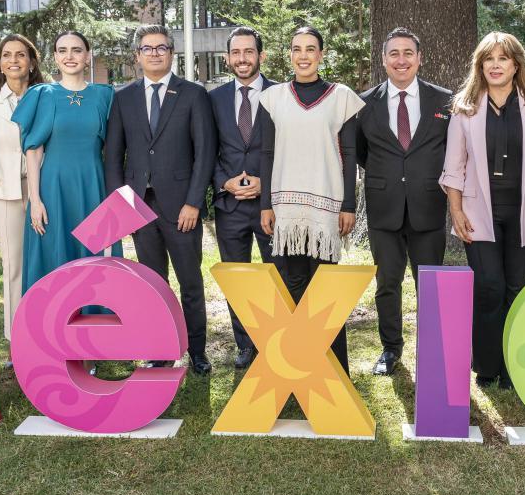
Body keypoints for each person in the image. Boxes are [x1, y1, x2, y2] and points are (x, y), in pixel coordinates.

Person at [439, 32, 525, 388]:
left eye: (502, 59)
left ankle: (513, 366)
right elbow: (454, 165)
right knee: (489, 286)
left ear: (516, 64)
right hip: (478, 210)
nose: (495, 65)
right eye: (488, 59)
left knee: (517, 287)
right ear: (480, 65)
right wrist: (455, 210)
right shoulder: (465, 107)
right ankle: (487, 366)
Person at [105, 24, 216, 374]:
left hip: (182, 207)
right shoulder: (122, 97)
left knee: (190, 282)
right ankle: (161, 349)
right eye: (147, 48)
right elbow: (113, 157)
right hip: (140, 207)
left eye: (161, 47)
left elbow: (205, 153)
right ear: (138, 56)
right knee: (153, 285)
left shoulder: (193, 94)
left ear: (171, 53)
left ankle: (198, 351)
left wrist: (194, 202)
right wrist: (122, 206)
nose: (154, 53)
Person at [259, 26, 364, 373]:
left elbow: (349, 154)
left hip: (327, 209)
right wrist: (265, 204)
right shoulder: (272, 98)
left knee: (325, 294)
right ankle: (298, 371)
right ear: (289, 54)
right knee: (293, 287)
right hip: (286, 211)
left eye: (310, 49)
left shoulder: (341, 96)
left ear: (321, 55)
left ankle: (335, 371)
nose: (303, 55)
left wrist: (349, 205)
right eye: (296, 49)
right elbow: (267, 153)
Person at [357, 27, 453, 376]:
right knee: (387, 283)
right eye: (394, 53)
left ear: (419, 58)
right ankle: (390, 349)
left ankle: (433, 352)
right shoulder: (364, 103)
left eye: (407, 53)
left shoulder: (444, 101)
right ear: (384, 60)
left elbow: (452, 151)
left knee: (430, 284)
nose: (401, 60)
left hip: (428, 206)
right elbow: (363, 153)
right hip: (384, 209)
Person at [13, 30, 121, 304]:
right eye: (62, 50)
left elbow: (116, 149)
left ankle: (98, 330)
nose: (69, 56)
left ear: (88, 56)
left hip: (94, 188)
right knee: (53, 256)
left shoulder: (105, 96)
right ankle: (50, 331)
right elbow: (34, 153)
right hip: (53, 191)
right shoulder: (42, 95)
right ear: (55, 57)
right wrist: (35, 200)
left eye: (76, 50)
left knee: (95, 258)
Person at [210, 26, 275, 369]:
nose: (242, 59)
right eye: (236, 53)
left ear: (260, 56)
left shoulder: (282, 94)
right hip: (230, 205)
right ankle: (246, 344)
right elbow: (207, 151)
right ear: (227, 58)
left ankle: (274, 342)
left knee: (274, 277)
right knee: (238, 279)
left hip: (270, 206)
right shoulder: (215, 99)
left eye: (249, 52)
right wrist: (225, 183)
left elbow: (290, 150)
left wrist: (268, 183)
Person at [0, 33, 45, 343]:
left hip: (43, 190)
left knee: (46, 262)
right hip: (5, 194)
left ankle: (50, 333)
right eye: (7, 55)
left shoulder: (47, 96)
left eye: (20, 54)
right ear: (0, 64)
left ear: (31, 62)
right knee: (13, 265)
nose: (13, 60)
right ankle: (18, 339)